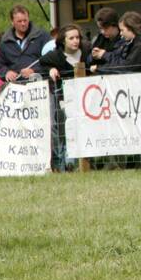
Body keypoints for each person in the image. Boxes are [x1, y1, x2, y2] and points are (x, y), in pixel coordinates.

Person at [38, 24, 86, 171]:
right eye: (71, 38)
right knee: (64, 130)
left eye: (77, 37)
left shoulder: (86, 52)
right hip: (65, 100)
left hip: (86, 99)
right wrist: (51, 69)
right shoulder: (55, 56)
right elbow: (42, 65)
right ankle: (65, 163)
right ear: (63, 41)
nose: (75, 41)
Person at [0, 5, 52, 82]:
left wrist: (34, 70)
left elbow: (51, 59)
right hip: (16, 87)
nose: (23, 24)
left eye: (25, 20)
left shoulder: (42, 36)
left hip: (39, 84)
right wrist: (7, 72)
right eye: (19, 21)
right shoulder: (5, 41)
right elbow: (0, 65)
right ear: (12, 22)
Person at [87, 7, 122, 73]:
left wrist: (104, 55)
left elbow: (122, 64)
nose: (102, 31)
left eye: (105, 28)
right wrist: (93, 56)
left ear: (115, 25)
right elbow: (88, 61)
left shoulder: (125, 38)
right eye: (100, 28)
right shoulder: (100, 38)